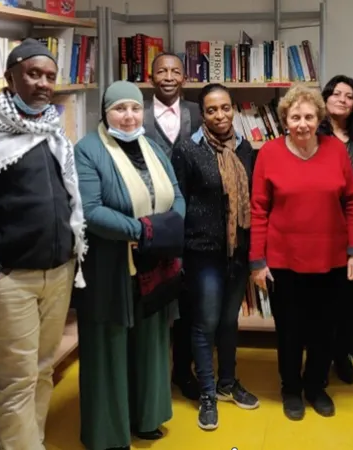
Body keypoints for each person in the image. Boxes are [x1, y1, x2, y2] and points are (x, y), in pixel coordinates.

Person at [0, 38, 87, 450]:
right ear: (10, 77)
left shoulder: (53, 130)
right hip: (10, 280)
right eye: (33, 74)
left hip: (58, 272)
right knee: (16, 381)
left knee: (43, 370)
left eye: (50, 76)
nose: (43, 83)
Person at [74, 80, 185, 450]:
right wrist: (145, 231)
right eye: (120, 108)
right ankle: (109, 432)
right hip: (110, 268)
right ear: (105, 112)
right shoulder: (88, 150)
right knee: (109, 346)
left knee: (151, 341)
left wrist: (163, 230)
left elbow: (177, 195)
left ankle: (146, 417)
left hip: (153, 264)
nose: (129, 116)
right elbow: (91, 211)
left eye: (136, 108)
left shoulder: (151, 146)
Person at [250, 85, 353, 421]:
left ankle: (316, 386)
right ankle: (291, 388)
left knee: (324, 329)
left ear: (319, 119)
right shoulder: (268, 153)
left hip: (331, 258)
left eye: (310, 117)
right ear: (284, 119)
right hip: (283, 261)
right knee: (290, 331)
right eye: (295, 117)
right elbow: (258, 209)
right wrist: (257, 261)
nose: (302, 124)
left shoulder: (335, 150)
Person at [171, 83, 258, 430]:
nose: (220, 115)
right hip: (201, 253)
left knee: (228, 322)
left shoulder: (246, 148)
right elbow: (177, 203)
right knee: (204, 323)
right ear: (202, 115)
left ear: (233, 108)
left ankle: (228, 382)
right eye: (211, 110)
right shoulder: (187, 150)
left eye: (225, 108)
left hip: (237, 252)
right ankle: (207, 392)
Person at [145, 51, 203, 400]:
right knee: (151, 297)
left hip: (192, 218)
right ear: (151, 77)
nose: (168, 77)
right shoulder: (135, 111)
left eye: (175, 71)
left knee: (187, 300)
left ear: (184, 77)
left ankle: (183, 370)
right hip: (149, 218)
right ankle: (150, 376)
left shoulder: (198, 111)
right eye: (162, 71)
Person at [317, 74, 353, 385]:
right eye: (336, 93)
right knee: (321, 296)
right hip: (320, 228)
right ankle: (320, 356)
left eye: (349, 96)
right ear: (325, 98)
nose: (342, 99)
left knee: (347, 295)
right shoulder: (313, 132)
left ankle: (343, 353)